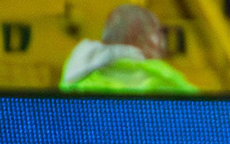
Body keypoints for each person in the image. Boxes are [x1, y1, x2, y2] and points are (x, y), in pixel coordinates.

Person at [59, 5, 197, 94]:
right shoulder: (165, 82)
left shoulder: (73, 82)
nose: (162, 45)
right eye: (158, 35)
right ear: (142, 38)